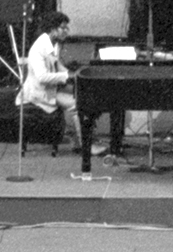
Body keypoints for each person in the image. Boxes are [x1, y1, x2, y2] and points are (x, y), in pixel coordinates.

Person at [16, 11, 108, 155]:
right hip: (39, 93)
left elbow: (58, 65)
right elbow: (42, 77)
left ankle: (82, 141)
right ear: (53, 29)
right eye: (63, 28)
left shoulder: (53, 43)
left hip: (50, 89)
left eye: (67, 28)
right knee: (78, 105)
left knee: (83, 94)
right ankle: (86, 146)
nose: (66, 31)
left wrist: (75, 75)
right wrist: (66, 76)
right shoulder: (40, 47)